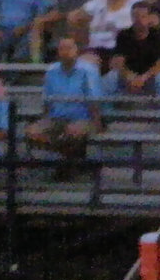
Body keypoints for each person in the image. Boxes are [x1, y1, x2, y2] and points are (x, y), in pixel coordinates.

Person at [24, 37, 103, 177]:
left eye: (69, 48)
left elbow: (94, 101)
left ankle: (66, 164)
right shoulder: (51, 71)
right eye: (62, 48)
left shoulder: (88, 71)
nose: (66, 52)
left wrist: (97, 123)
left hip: (83, 118)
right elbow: (47, 100)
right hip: (57, 117)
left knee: (72, 131)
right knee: (32, 132)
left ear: (76, 50)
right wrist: (44, 120)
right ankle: (71, 160)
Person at [103, 0, 160, 97]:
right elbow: (118, 62)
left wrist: (143, 78)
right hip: (127, 77)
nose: (138, 20)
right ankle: (106, 111)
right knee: (110, 78)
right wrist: (130, 77)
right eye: (135, 16)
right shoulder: (123, 35)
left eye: (143, 16)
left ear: (149, 18)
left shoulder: (157, 36)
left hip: (150, 77)